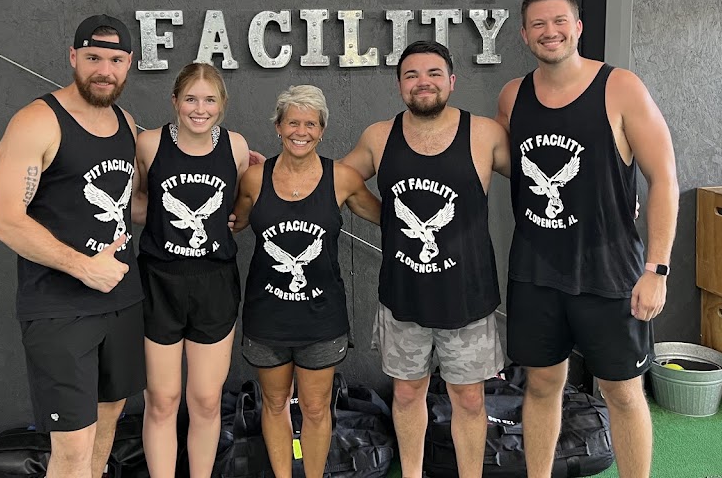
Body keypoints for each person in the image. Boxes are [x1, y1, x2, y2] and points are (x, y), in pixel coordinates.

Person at [496, 0, 679, 478]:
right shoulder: (512, 96)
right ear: (524, 35)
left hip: (610, 271)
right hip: (536, 272)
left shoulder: (620, 87)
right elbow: (512, 165)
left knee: (622, 392)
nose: (549, 31)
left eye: (559, 21)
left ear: (577, 27)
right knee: (541, 385)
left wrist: (657, 269)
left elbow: (664, 178)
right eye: (538, 24)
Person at [341, 40, 511, 478]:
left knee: (469, 399)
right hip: (404, 298)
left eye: (434, 73)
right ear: (399, 85)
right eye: (412, 75)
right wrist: (264, 174)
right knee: (406, 394)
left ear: (451, 81)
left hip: (467, 298)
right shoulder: (379, 137)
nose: (423, 82)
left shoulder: (484, 134)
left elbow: (541, 178)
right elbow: (336, 182)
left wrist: (613, 194)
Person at [0, 14, 145, 478]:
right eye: (93, 58)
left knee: (108, 423)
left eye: (115, 60)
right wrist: (83, 267)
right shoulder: (37, 121)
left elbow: (133, 205)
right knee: (73, 447)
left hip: (121, 300)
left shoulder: (125, 123)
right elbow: (4, 219)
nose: (104, 70)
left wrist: (230, 185)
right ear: (73, 57)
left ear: (129, 64)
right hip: (60, 308)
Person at [232, 85, 381, 478]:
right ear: (278, 127)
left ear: (322, 130)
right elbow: (233, 221)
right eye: (293, 122)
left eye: (310, 124)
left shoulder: (342, 178)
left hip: (321, 318)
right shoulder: (254, 179)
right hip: (267, 317)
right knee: (274, 403)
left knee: (315, 408)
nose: (301, 131)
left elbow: (387, 217)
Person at [130, 63, 250, 478]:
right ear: (175, 101)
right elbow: (137, 203)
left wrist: (233, 220)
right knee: (162, 400)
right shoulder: (149, 144)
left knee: (206, 400)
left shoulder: (235, 147)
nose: (200, 109)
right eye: (191, 99)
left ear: (223, 104)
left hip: (214, 283)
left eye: (210, 100)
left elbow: (240, 202)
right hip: (159, 282)